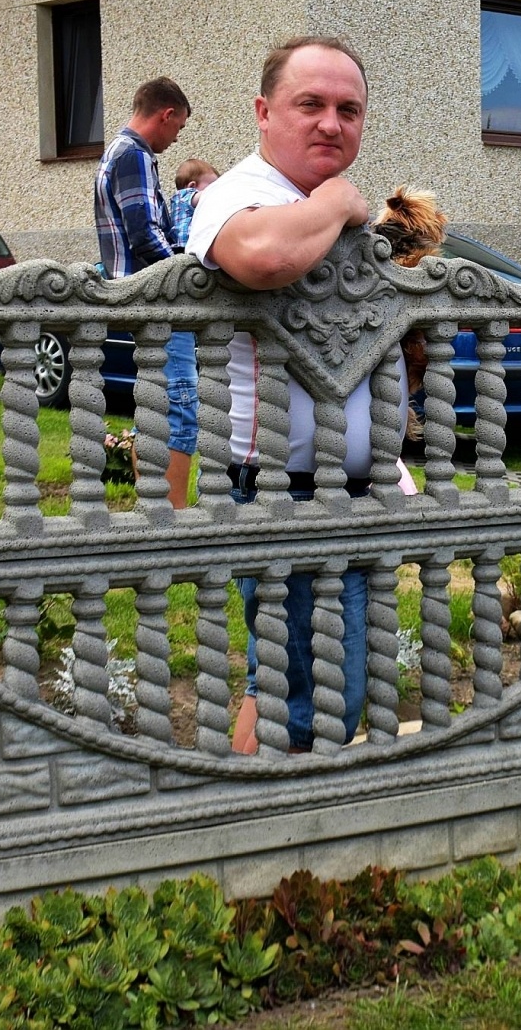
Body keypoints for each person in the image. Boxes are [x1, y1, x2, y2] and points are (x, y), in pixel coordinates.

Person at [185, 36, 406, 753]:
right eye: (309, 104)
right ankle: (270, 833)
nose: (331, 123)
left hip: (353, 488)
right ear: (263, 110)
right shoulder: (238, 193)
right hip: (286, 493)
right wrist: (341, 201)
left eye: (349, 109)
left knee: (292, 684)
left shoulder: (310, 203)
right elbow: (262, 256)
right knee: (314, 701)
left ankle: (244, 822)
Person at [94, 76, 198, 509]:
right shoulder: (134, 154)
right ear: (166, 114)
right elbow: (143, 234)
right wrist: (183, 271)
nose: (176, 139)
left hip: (138, 295)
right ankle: (168, 516)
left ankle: (152, 505)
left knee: (157, 404)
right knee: (181, 408)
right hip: (156, 297)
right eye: (179, 128)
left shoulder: (116, 151)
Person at [168, 157, 218, 248]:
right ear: (192, 186)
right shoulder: (183, 196)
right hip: (185, 244)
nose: (214, 189)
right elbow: (204, 196)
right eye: (212, 186)